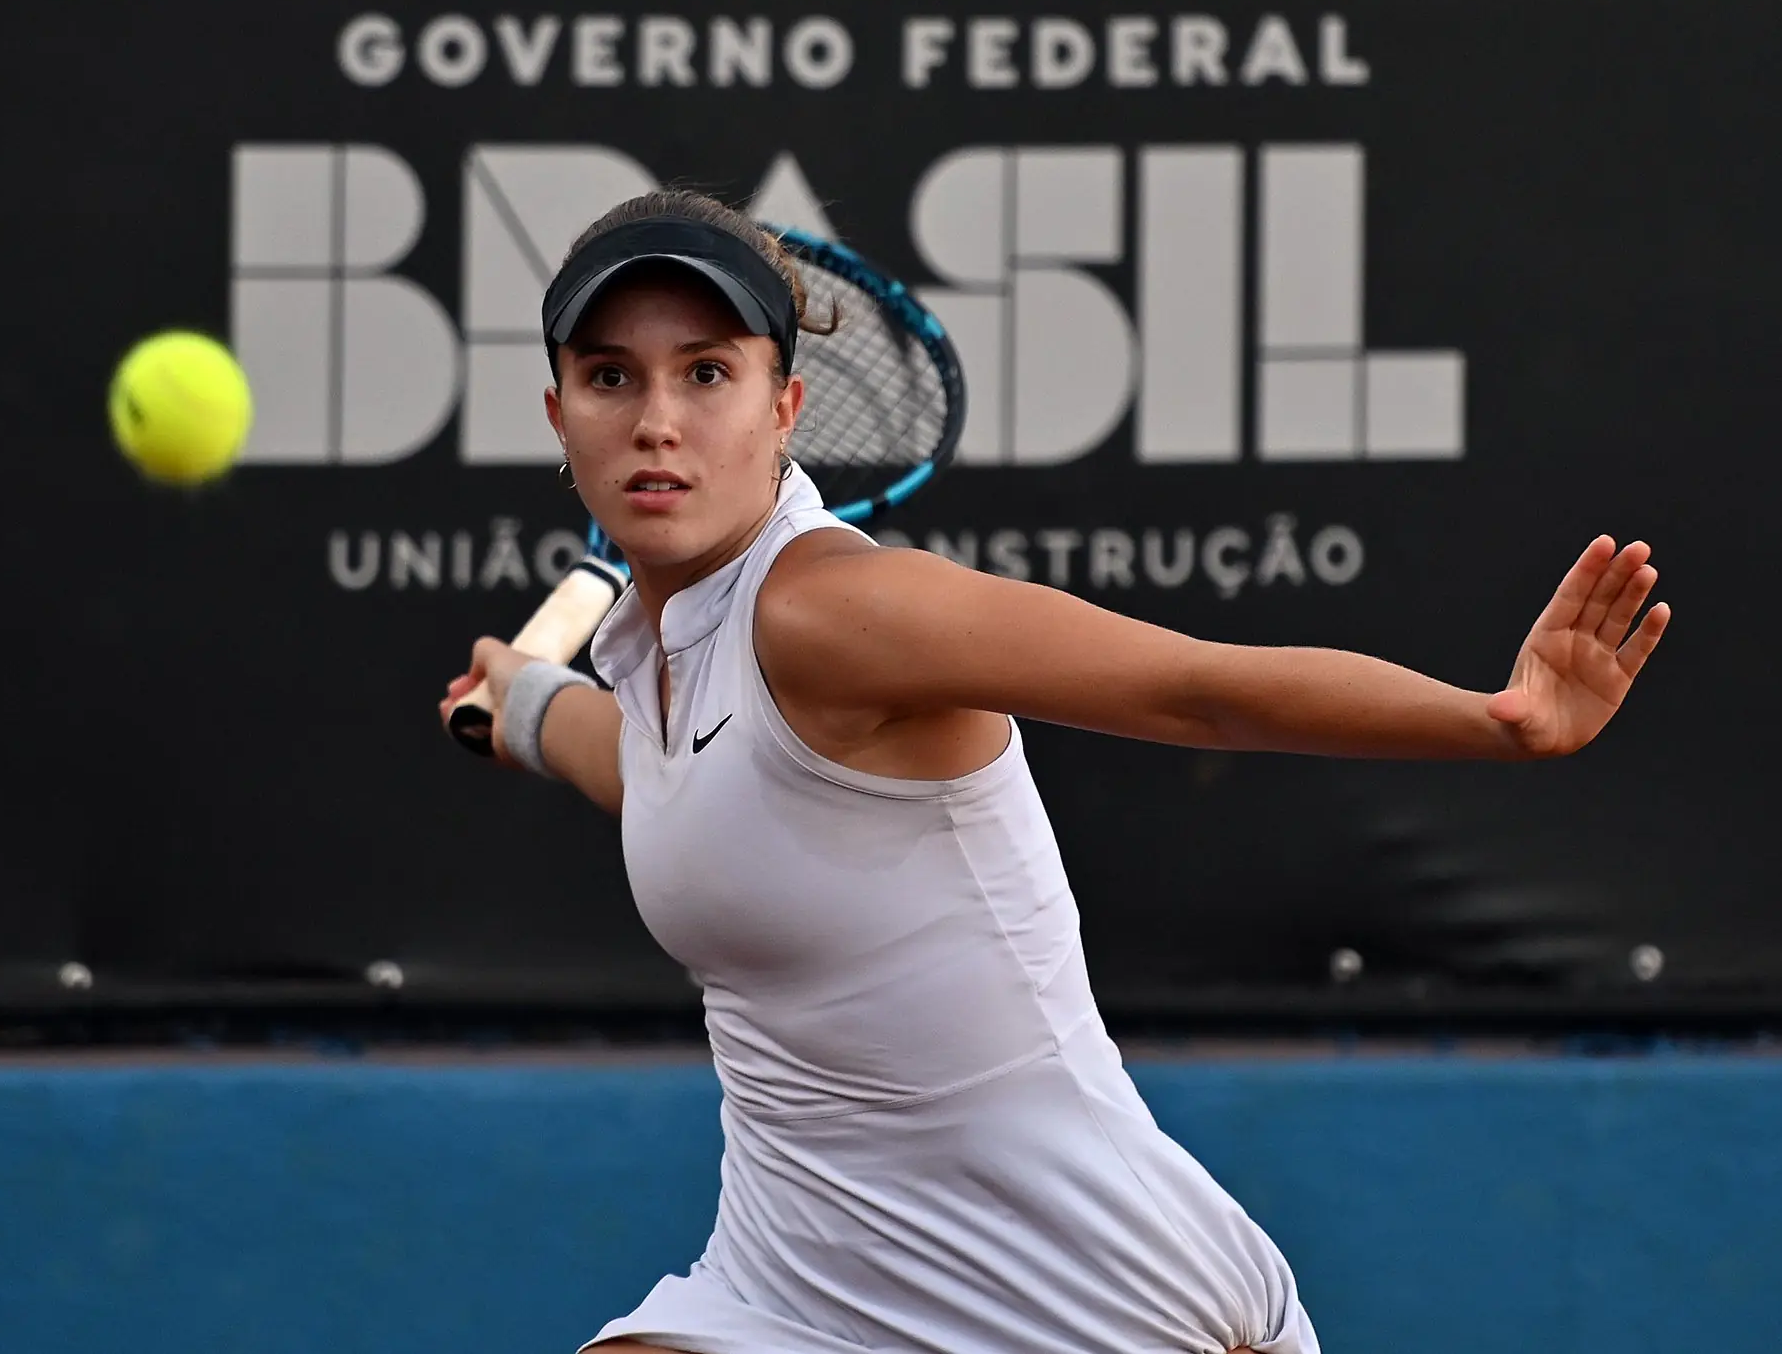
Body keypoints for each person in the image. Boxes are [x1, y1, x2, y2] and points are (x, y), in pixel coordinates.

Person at [439, 190, 1670, 1354]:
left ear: (785, 408)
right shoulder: (660, 652)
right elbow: (672, 786)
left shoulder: (831, 611)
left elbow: (1192, 687)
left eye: (707, 373)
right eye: (611, 377)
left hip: (1090, 1301)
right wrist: (531, 710)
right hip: (798, 1280)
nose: (656, 421)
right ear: (558, 416)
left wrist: (1494, 722)